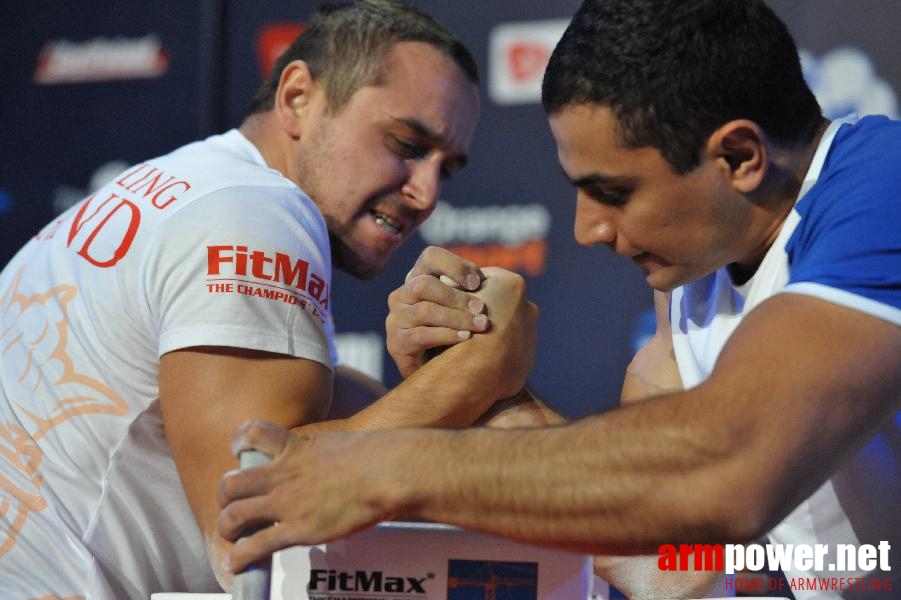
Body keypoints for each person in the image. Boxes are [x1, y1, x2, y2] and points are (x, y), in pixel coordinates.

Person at [217, 1, 901, 598]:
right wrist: (479, 387)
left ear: (739, 156)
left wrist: (387, 466)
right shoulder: (700, 258)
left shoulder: (882, 191)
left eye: (613, 192)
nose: (587, 229)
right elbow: (670, 563)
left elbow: (730, 465)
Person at [0, 1, 541, 598]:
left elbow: (319, 416)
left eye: (449, 168)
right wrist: (473, 376)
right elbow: (248, 519)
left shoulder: (195, 188)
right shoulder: (255, 209)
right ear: (298, 97)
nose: (426, 193)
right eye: (407, 143)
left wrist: (455, 388)